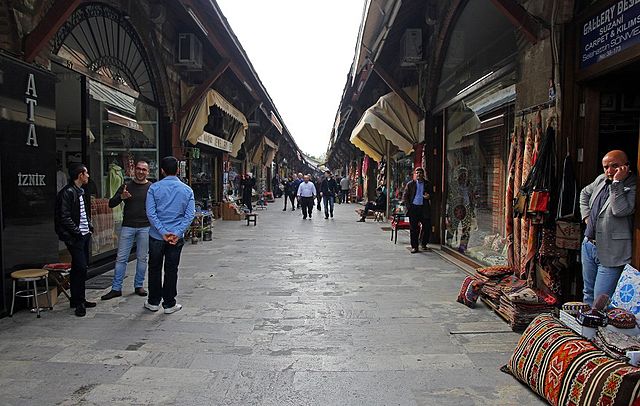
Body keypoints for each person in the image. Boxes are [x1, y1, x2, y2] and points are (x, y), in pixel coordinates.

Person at [579, 149, 636, 306]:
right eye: (606, 167)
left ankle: (598, 329)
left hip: (612, 251)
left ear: (626, 166)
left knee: (600, 299)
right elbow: (584, 193)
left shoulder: (633, 186)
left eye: (614, 166)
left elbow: (621, 210)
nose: (609, 171)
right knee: (587, 293)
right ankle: (586, 330)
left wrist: (618, 183)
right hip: (589, 245)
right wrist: (586, 217)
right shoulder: (601, 180)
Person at [145, 156, 195, 314]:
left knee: (154, 268)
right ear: (178, 170)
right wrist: (177, 232)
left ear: (162, 170)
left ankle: (153, 302)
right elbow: (190, 215)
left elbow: (151, 213)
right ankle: (169, 303)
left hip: (156, 236)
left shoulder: (154, 188)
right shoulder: (187, 190)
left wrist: (162, 232)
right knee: (171, 269)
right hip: (176, 237)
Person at [101, 160, 152, 301]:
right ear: (134, 170)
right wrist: (121, 197)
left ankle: (139, 285)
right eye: (138, 168)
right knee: (121, 258)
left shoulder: (151, 188)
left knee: (142, 258)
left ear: (148, 172)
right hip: (128, 226)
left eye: (144, 169)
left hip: (145, 227)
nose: (141, 171)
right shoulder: (126, 186)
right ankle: (116, 288)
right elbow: (111, 203)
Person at [54, 163, 95, 317]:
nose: (88, 176)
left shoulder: (80, 191)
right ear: (80, 175)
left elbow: (84, 213)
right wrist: (77, 232)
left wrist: (89, 227)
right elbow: (64, 217)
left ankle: (78, 299)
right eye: (86, 173)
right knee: (81, 267)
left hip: (84, 235)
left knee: (79, 268)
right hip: (75, 237)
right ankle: (79, 302)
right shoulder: (67, 192)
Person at [402, 167, 432, 253]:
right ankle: (414, 246)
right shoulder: (410, 184)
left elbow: (433, 194)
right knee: (413, 229)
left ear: (423, 174)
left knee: (426, 227)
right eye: (417, 173)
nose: (418, 174)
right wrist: (408, 207)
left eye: (420, 173)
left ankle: (423, 243)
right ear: (415, 174)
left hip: (424, 208)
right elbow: (405, 196)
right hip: (414, 208)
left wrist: (429, 196)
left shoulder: (427, 184)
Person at [445, 166, 475, 253]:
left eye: (465, 175)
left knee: (466, 228)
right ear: (458, 175)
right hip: (455, 207)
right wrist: (448, 210)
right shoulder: (453, 184)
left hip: (467, 207)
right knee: (452, 226)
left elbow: (472, 197)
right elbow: (449, 197)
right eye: (461, 174)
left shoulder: (470, 185)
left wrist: (472, 209)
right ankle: (449, 243)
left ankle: (462, 246)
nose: (463, 176)